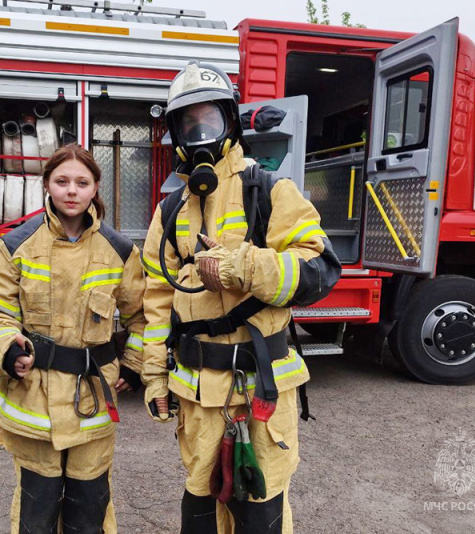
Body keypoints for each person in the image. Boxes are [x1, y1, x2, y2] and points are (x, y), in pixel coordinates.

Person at [141, 61, 341, 533]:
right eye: (188, 124)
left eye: (208, 120)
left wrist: (244, 266)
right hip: (197, 395)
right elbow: (154, 300)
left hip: (260, 391)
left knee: (260, 515)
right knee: (202, 513)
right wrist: (153, 375)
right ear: (175, 134)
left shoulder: (270, 191)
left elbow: (320, 270)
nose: (200, 133)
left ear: (230, 121)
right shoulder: (169, 210)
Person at [0, 144, 146, 534]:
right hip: (33, 401)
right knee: (37, 512)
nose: (71, 190)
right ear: (47, 184)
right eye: (62, 181)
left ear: (95, 187)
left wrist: (134, 365)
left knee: (90, 509)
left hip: (93, 401)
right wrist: (5, 350)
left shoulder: (118, 251)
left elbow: (143, 316)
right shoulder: (17, 246)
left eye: (81, 182)